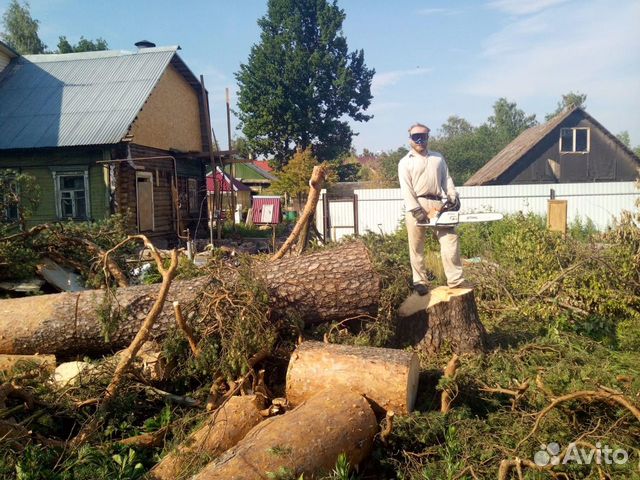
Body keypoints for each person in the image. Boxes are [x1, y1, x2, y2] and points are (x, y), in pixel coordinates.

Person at [398, 122, 467, 295]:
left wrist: (452, 195)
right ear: (410, 139)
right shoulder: (405, 162)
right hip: (417, 204)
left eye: (423, 136)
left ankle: (455, 279)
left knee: (450, 239)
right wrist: (416, 210)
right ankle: (420, 281)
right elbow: (406, 189)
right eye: (416, 137)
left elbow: (447, 179)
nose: (419, 140)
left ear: (428, 137)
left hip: (438, 204)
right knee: (416, 246)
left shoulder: (438, 158)